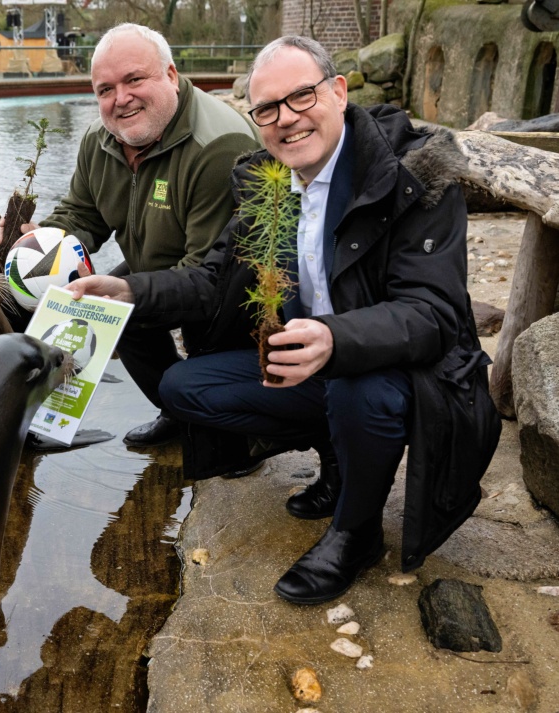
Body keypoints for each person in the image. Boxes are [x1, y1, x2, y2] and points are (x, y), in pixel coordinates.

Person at [67, 35, 500, 604]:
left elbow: (434, 315)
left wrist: (333, 338)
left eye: (301, 97)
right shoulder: (266, 182)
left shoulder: (413, 174)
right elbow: (210, 278)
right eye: (267, 108)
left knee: (358, 394)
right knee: (183, 387)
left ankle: (355, 533)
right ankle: (338, 457)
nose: (286, 120)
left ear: (338, 91)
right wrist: (128, 290)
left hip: (399, 372)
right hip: (312, 358)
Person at [2, 22, 260, 447]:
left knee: (130, 310)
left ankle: (231, 434)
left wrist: (131, 291)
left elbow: (209, 278)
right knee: (104, 308)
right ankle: (177, 414)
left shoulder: (217, 147)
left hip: (229, 286)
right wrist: (38, 242)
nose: (120, 99)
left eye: (134, 79)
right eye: (105, 89)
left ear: (171, 76)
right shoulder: (99, 139)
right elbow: (82, 214)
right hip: (160, 264)